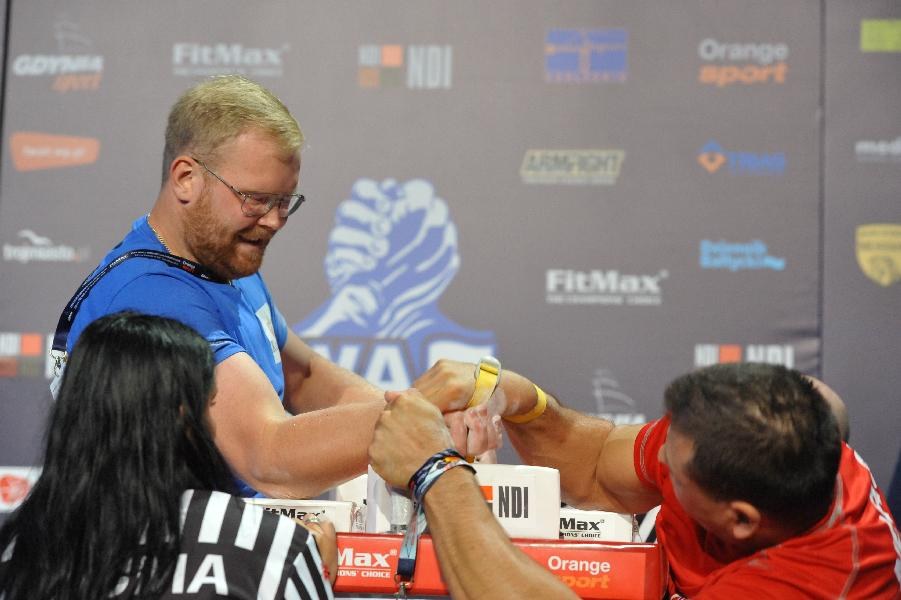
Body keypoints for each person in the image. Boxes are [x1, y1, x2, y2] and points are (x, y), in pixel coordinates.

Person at [54, 74, 386, 498]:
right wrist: (416, 423)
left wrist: (407, 414)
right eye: (255, 199)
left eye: (285, 202)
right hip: (161, 561)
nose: (273, 221)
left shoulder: (221, 260)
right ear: (186, 178)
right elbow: (269, 457)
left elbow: (303, 378)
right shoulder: (149, 298)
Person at [369, 361, 901, 599]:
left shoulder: (815, 586)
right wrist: (514, 393)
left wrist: (437, 471)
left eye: (675, 470)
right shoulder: (733, 437)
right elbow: (599, 465)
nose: (659, 463)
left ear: (739, 520)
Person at [1, 312, 337, 599]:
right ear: (182, 415)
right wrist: (315, 571)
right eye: (209, 403)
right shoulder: (271, 548)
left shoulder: (14, 550)